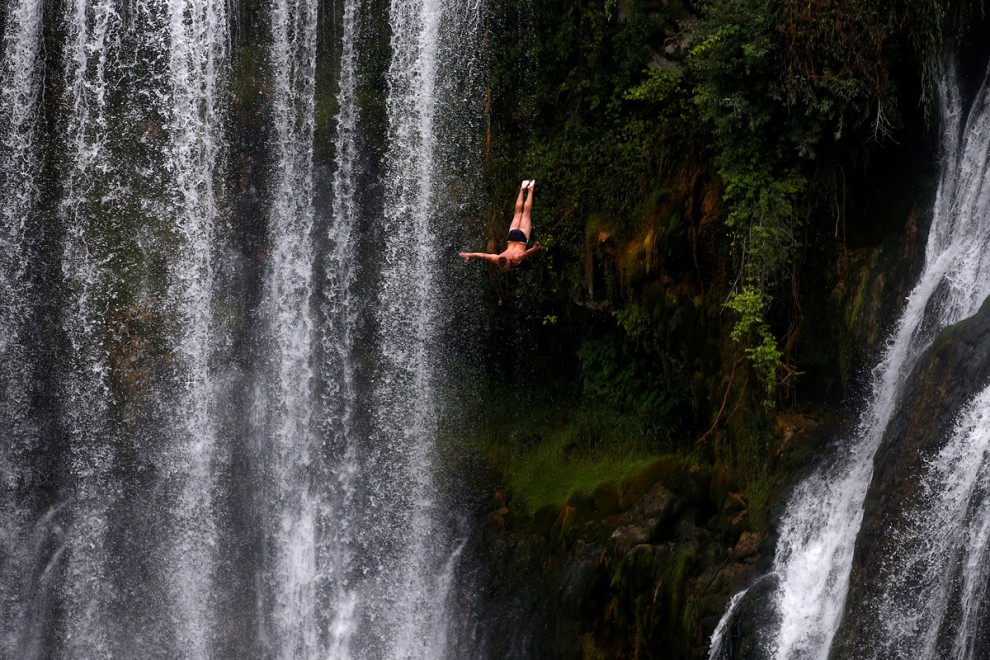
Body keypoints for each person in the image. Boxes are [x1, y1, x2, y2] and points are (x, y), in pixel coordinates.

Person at [459, 180, 541, 271]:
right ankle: (522, 189)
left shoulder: (515, 258)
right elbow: (484, 255)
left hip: (521, 238)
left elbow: (526, 254)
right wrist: (470, 255)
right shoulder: (497, 258)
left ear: (508, 261)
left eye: (505, 268)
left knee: (526, 213)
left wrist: (534, 248)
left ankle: (530, 189)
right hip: (511, 236)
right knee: (517, 213)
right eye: (504, 269)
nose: (505, 270)